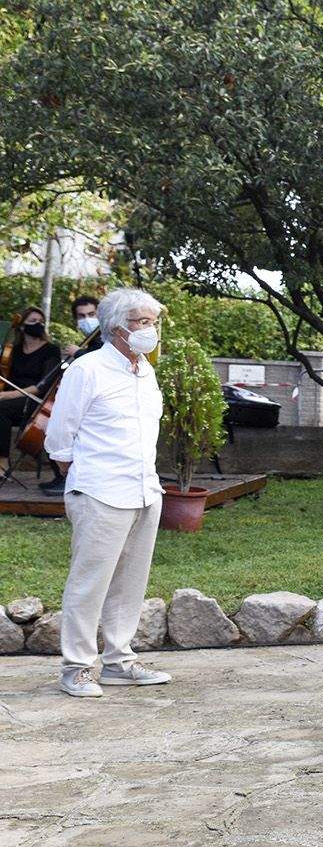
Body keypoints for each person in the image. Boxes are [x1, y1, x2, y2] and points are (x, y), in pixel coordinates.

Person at [42, 288, 171, 698]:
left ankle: (119, 660)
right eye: (143, 322)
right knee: (90, 582)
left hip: (145, 489)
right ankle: (77, 668)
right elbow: (60, 436)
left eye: (154, 322)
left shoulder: (145, 370)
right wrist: (77, 470)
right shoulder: (88, 369)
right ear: (116, 327)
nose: (151, 330)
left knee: (130, 582)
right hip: (100, 491)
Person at [1, 306, 62, 463]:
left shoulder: (51, 350)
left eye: (41, 321)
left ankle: (2, 462)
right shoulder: (13, 350)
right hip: (11, 397)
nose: (38, 324)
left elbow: (42, 385)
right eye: (33, 321)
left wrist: (8, 394)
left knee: (1, 408)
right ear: (21, 326)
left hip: (36, 400)